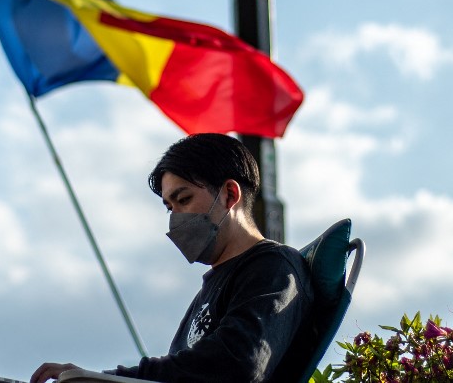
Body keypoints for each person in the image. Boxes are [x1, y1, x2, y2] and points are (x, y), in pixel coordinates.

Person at [31, 133, 315, 383]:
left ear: (230, 194)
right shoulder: (209, 289)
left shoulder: (274, 268)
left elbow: (239, 363)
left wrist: (99, 380)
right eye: (169, 207)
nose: (176, 218)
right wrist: (90, 379)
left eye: (184, 199)